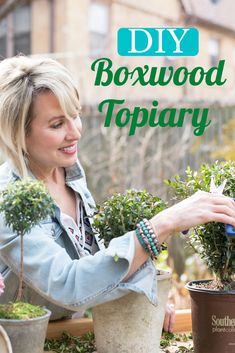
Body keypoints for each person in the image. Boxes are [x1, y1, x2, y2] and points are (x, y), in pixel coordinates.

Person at [0, 56, 235, 331]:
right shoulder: (9, 199)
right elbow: (69, 284)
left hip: (71, 334)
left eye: (75, 115)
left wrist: (138, 292)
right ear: (18, 133)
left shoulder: (69, 173)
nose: (75, 132)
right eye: (56, 124)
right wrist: (163, 223)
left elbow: (94, 262)